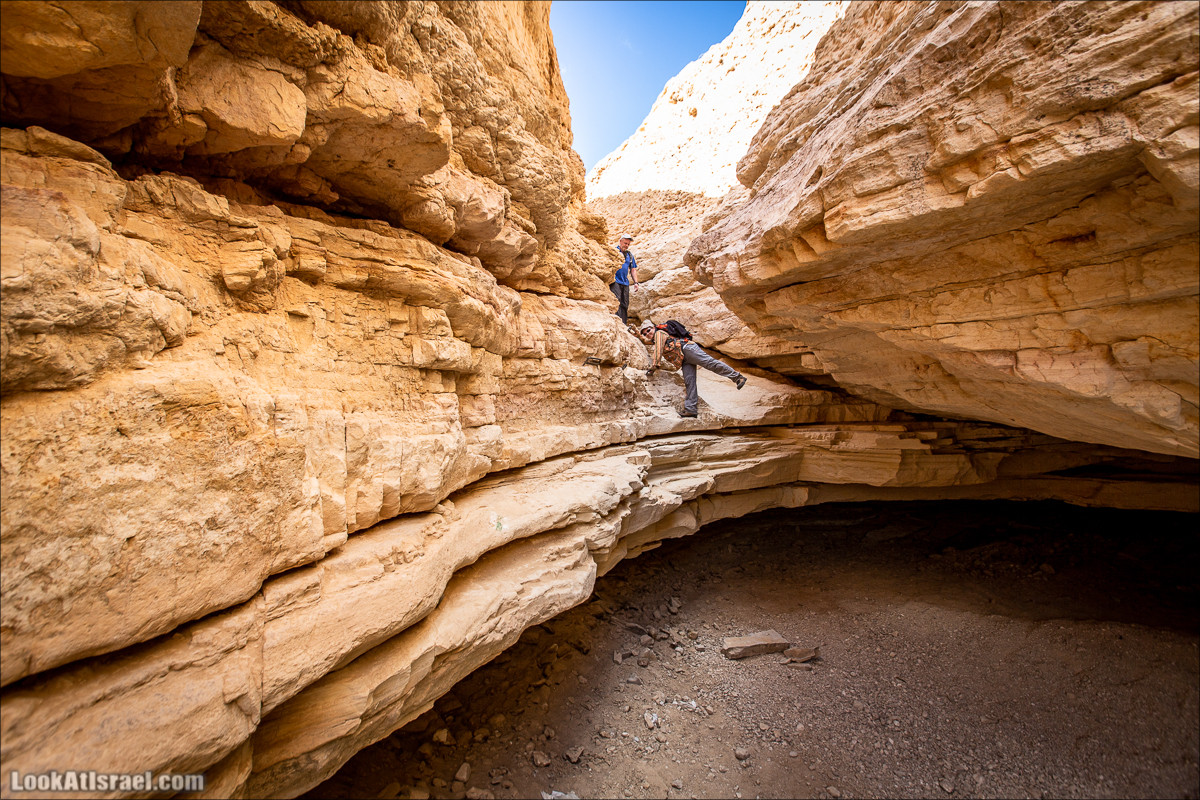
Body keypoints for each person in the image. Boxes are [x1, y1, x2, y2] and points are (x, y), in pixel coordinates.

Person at [633, 319, 746, 417]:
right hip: (684, 358)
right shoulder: (655, 337)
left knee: (710, 363)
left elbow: (658, 350)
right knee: (689, 381)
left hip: (688, 349)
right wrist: (638, 334)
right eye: (645, 333)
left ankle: (738, 377)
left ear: (653, 327)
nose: (647, 333)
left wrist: (654, 366)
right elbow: (646, 341)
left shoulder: (659, 333)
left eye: (648, 330)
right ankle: (691, 409)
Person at [609, 234, 639, 324]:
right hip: (615, 281)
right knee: (617, 301)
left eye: (628, 244)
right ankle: (617, 323)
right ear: (620, 241)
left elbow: (633, 269)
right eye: (625, 243)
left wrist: (636, 283)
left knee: (625, 304)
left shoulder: (629, 255)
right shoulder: (614, 252)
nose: (626, 245)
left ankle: (623, 324)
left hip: (625, 282)